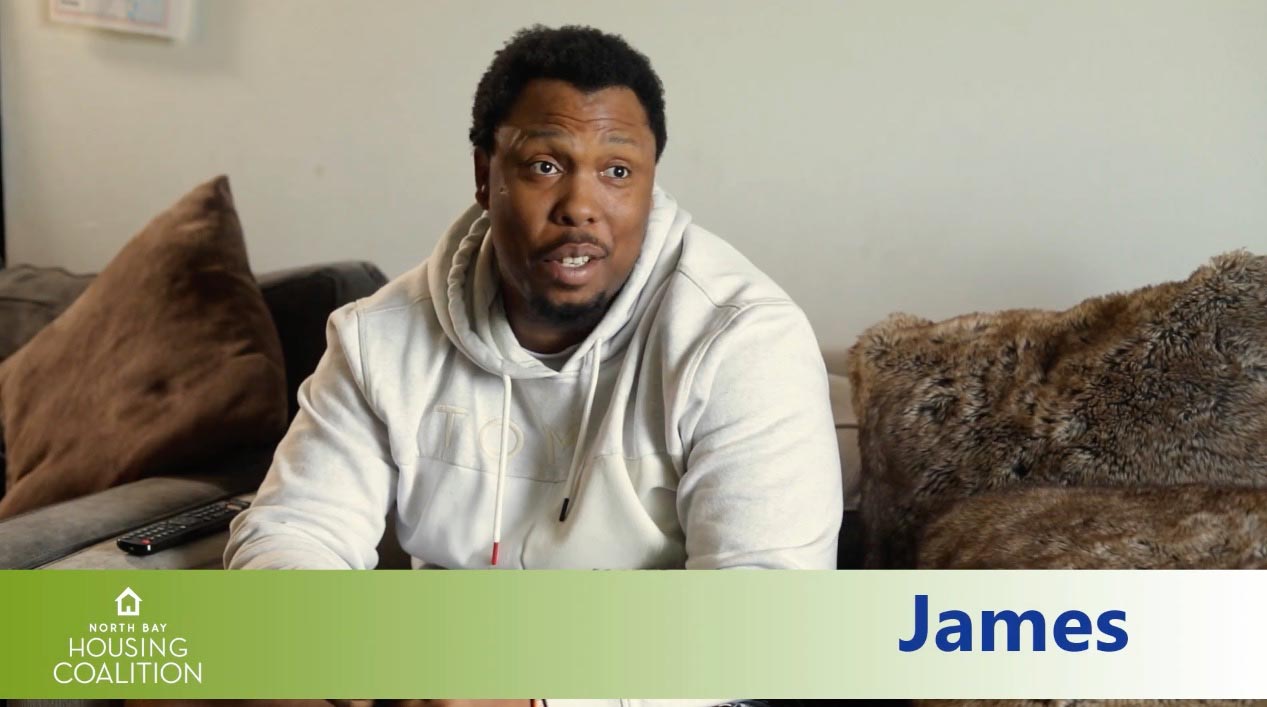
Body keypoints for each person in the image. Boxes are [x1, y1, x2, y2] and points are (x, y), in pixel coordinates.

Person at [225, 25, 841, 575]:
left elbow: (763, 616)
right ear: (483, 174)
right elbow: (295, 528)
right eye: (545, 165)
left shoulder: (743, 339)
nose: (580, 205)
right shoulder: (379, 338)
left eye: (618, 172)